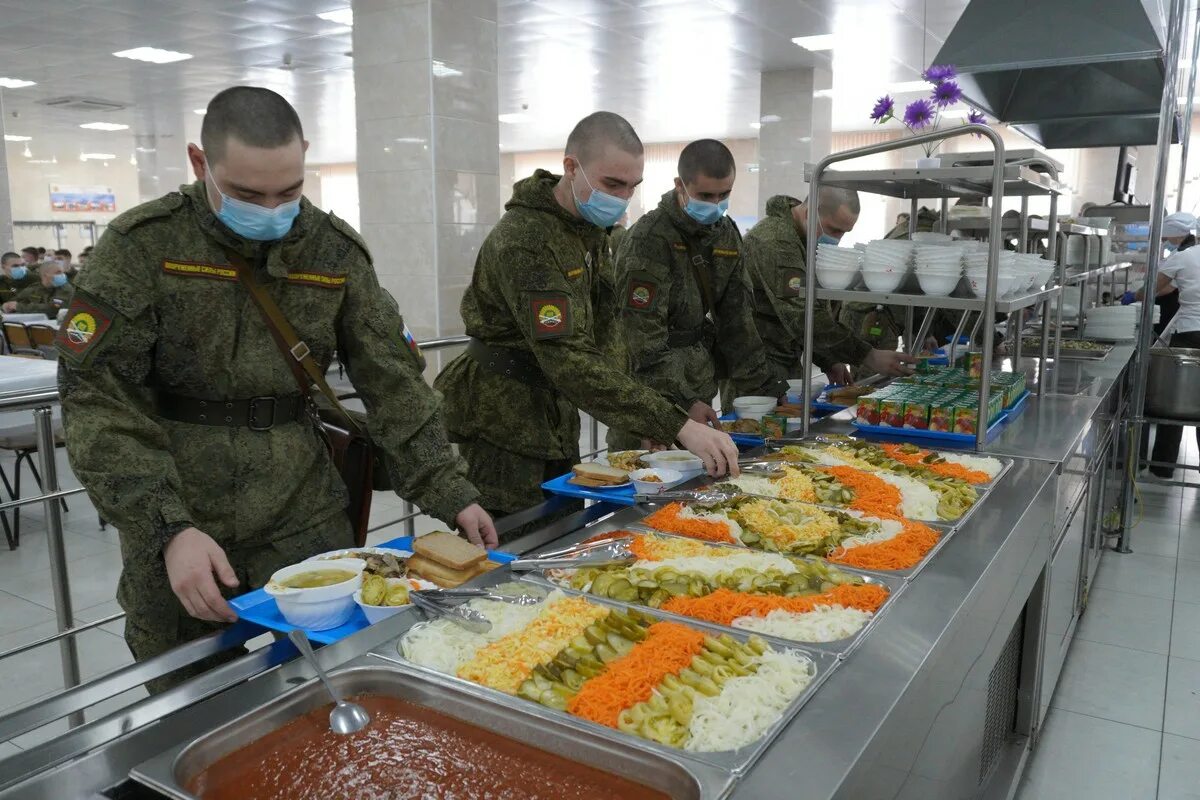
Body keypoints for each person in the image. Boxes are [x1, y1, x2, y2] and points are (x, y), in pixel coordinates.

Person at [58, 86, 496, 692]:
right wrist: (166, 528)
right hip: (188, 515)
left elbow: (394, 381)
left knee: (336, 683)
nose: (270, 209)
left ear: (305, 157)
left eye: (287, 192)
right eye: (246, 194)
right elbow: (99, 402)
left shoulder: (332, 249)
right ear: (199, 162)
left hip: (305, 510)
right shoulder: (143, 248)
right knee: (193, 697)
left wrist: (449, 490)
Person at [434, 112, 740, 533]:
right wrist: (673, 424)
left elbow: (611, 337)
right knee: (513, 541)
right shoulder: (526, 238)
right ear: (571, 167)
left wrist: (656, 412)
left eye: (633, 187)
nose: (623, 197)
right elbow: (569, 358)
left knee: (559, 531)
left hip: (553, 415)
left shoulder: (587, 230)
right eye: (613, 184)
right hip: (501, 421)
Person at [608, 139, 786, 450]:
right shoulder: (649, 239)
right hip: (647, 395)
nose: (715, 204)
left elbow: (737, 322)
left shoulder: (726, 234)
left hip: (697, 383)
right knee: (644, 481)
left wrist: (769, 387)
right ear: (681, 185)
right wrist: (682, 402)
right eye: (705, 195)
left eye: (724, 195)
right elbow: (640, 339)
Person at [736, 189, 914, 402]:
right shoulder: (774, 242)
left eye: (845, 232)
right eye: (834, 229)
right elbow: (802, 316)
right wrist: (868, 355)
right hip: (754, 369)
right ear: (810, 213)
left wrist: (829, 359)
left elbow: (814, 310)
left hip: (784, 360)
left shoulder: (803, 238)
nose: (837, 239)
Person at [1128, 212, 1200, 478]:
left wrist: (1132, 295)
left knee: (1176, 400)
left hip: (1190, 334)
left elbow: (1152, 289)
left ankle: (1163, 467)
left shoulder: (1185, 257)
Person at [4, 260, 72, 318]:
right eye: (58, 272)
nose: (63, 275)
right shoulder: (35, 288)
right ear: (45, 275)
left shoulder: (65, 288)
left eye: (63, 272)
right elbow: (15, 300)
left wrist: (19, 307)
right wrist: (7, 306)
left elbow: (53, 309)